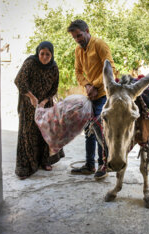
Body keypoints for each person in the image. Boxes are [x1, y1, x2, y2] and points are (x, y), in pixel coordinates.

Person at [67, 19, 117, 179]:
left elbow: (111, 70)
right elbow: (78, 72)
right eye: (75, 37)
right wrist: (88, 86)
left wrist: (94, 86)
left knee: (100, 128)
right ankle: (89, 165)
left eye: (79, 36)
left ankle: (104, 165)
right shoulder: (78, 50)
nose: (77, 39)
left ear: (87, 31)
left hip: (104, 94)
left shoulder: (100, 45)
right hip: (91, 93)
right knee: (89, 129)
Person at [14, 41, 64, 179]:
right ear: (38, 52)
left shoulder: (53, 67)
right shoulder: (30, 63)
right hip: (28, 104)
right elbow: (19, 81)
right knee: (28, 133)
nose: (44, 57)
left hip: (45, 105)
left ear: (52, 55)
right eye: (42, 53)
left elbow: (54, 88)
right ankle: (27, 165)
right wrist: (31, 97)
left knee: (45, 133)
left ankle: (45, 161)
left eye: (48, 54)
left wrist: (44, 101)